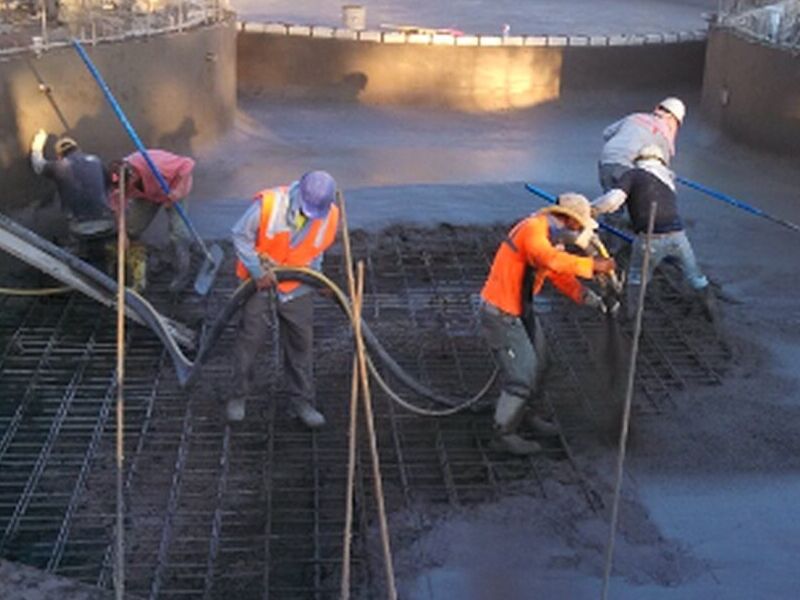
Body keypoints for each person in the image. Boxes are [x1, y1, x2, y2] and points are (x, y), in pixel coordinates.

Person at [479, 194, 616, 456]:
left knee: (541, 363)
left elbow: (556, 273)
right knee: (522, 377)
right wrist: (593, 265)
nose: (577, 234)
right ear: (566, 219)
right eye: (577, 227)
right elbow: (550, 260)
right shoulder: (533, 230)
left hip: (521, 310)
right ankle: (503, 433)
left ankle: (526, 413)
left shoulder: (548, 237)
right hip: (501, 313)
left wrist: (588, 298)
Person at [227, 170, 340, 428]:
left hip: (298, 286)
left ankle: (302, 401)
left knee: (301, 344)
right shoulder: (268, 206)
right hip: (259, 285)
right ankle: (238, 397)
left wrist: (318, 278)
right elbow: (239, 236)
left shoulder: (329, 213)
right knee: (250, 341)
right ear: (298, 193)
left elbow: (316, 249)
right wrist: (257, 271)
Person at [592, 144, 716, 321]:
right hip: (679, 236)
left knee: (636, 278)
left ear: (637, 160)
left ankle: (633, 320)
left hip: (650, 239)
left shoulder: (632, 175)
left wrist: (592, 209)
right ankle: (712, 314)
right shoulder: (668, 177)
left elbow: (613, 201)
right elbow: (655, 204)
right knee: (696, 277)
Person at [107, 149, 196, 293]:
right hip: (147, 194)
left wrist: (177, 192)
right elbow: (118, 208)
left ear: (133, 176)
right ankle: (137, 264)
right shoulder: (118, 183)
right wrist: (122, 233)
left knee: (180, 234)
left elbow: (187, 165)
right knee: (132, 229)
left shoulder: (155, 163)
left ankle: (183, 272)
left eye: (126, 187)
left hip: (172, 186)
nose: (123, 191)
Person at [30, 129, 115, 266]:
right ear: (79, 149)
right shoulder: (96, 160)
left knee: (82, 252)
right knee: (103, 251)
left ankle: (80, 256)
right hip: (107, 221)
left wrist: (38, 143)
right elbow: (109, 184)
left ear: (59, 155)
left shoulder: (58, 166)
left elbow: (38, 166)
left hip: (80, 226)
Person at [598, 97, 685, 193]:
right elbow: (661, 169)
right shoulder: (664, 135)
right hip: (626, 166)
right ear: (672, 118)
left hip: (606, 160)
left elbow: (606, 133)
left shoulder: (635, 117)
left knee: (610, 200)